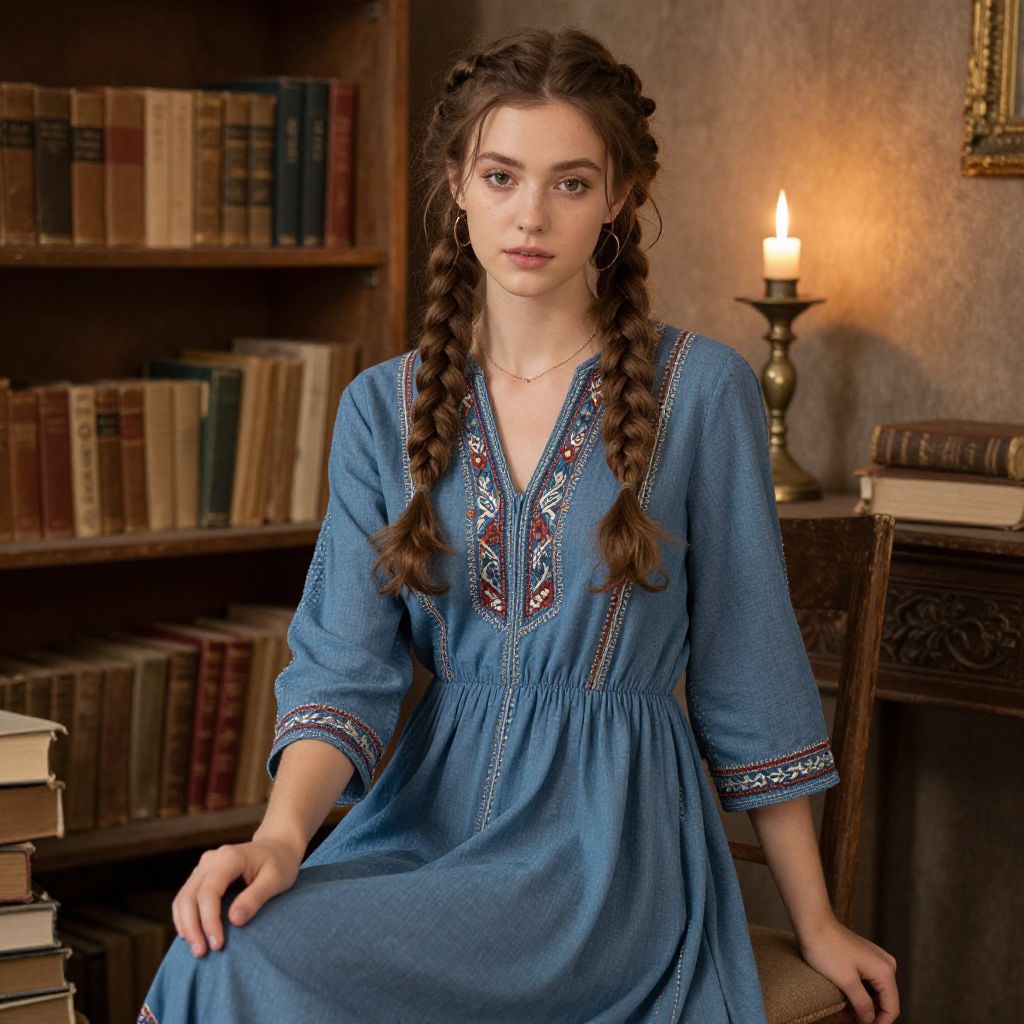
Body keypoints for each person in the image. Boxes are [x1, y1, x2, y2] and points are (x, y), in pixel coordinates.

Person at [138, 26, 899, 1024]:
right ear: (457, 182)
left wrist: (816, 917)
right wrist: (281, 837)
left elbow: (748, 667)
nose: (530, 215)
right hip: (422, 826)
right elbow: (343, 665)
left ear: (619, 196)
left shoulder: (701, 392)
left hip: (607, 855)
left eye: (571, 183)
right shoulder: (383, 408)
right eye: (502, 176)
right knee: (218, 958)